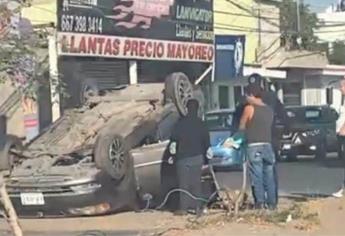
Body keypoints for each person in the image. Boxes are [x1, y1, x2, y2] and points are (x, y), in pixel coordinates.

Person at [239, 84, 277, 210]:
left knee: (257, 175)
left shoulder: (249, 108)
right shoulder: (269, 109)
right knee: (269, 175)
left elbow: (242, 127)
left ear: (251, 95)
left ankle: (259, 202)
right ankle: (272, 203)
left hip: (254, 146)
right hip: (268, 145)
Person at [170, 99, 211, 215]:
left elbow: (173, 142)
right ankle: (198, 208)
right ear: (197, 109)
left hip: (182, 158)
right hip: (197, 158)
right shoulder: (201, 124)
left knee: (183, 184)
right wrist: (207, 159)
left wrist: (173, 155)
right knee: (196, 183)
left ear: (187, 109)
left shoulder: (179, 124)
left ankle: (183, 208)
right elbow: (207, 143)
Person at [333, 78, 345, 198]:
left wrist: (343, 129)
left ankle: (342, 189)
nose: (340, 89)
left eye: (342, 86)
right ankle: (342, 189)